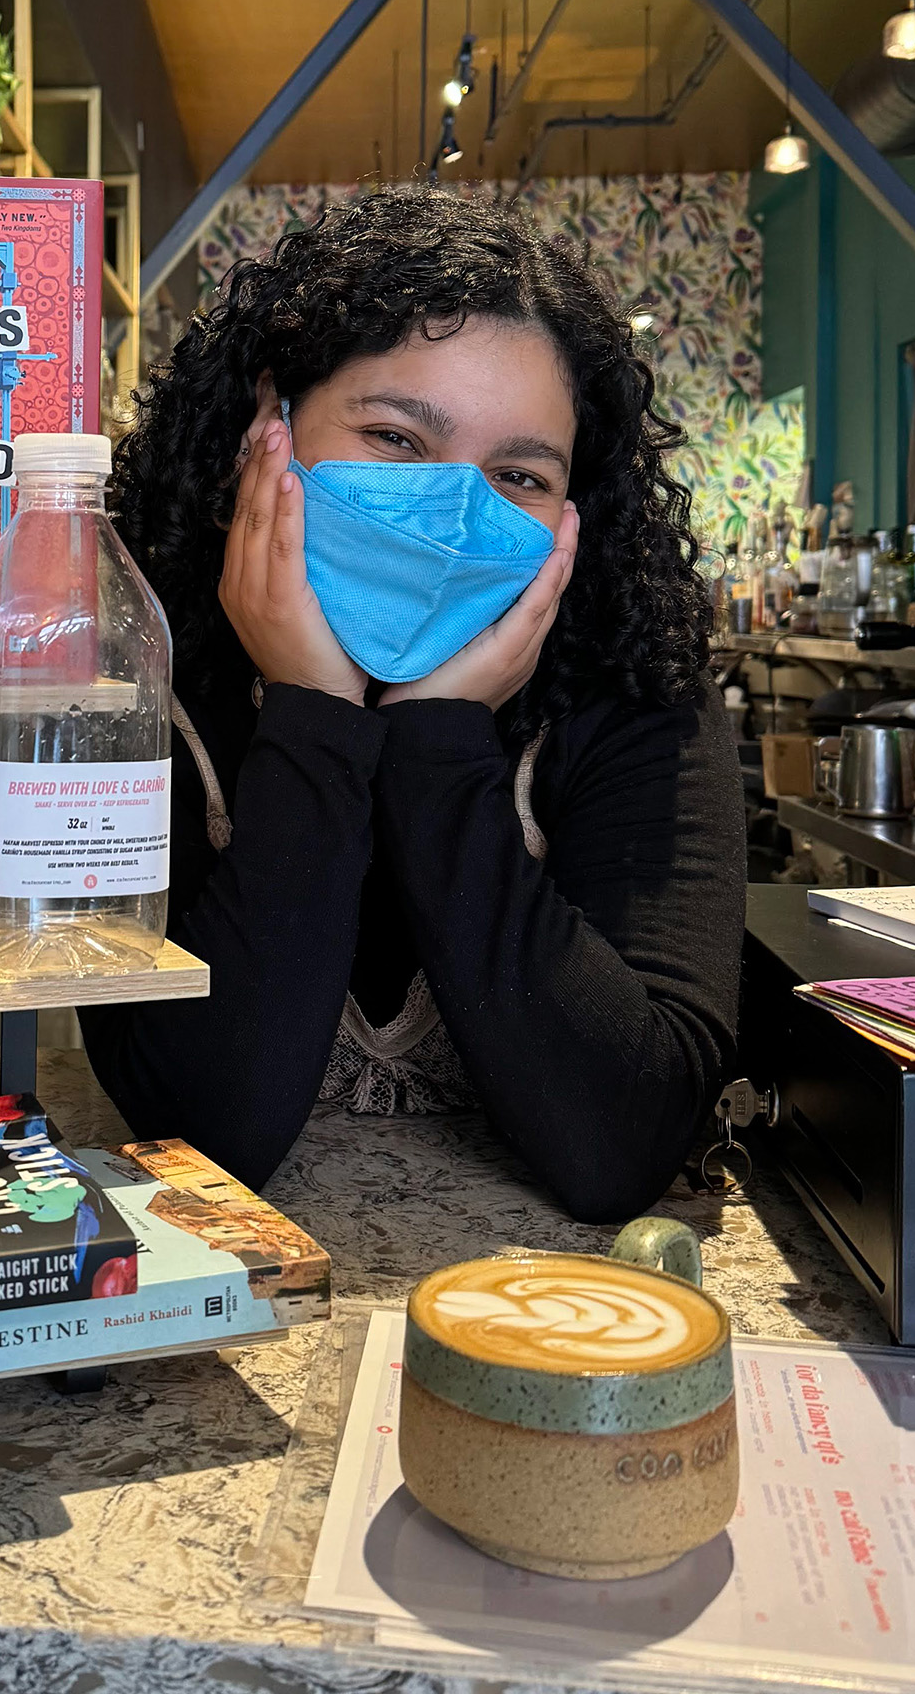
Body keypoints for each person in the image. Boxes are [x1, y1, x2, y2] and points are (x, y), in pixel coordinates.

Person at [82, 187, 745, 1223]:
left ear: (574, 506)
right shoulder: (131, 679)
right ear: (271, 419)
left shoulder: (637, 687)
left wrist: (437, 735)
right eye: (394, 437)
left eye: (517, 472)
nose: (452, 511)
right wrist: (315, 712)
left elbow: (621, 1139)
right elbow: (200, 1139)